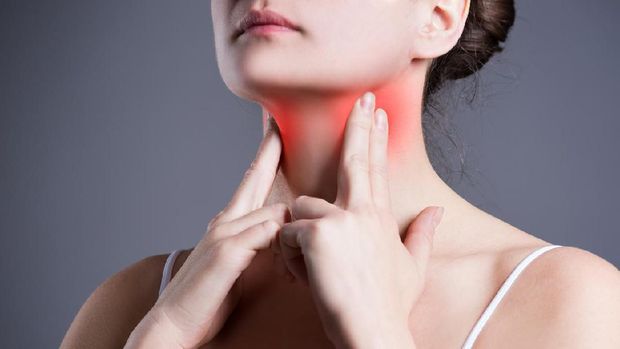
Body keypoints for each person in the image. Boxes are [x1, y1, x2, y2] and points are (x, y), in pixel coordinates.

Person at [61, 0, 620, 348]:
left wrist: (377, 337)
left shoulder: (566, 303)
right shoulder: (134, 305)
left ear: (439, 14)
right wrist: (162, 338)